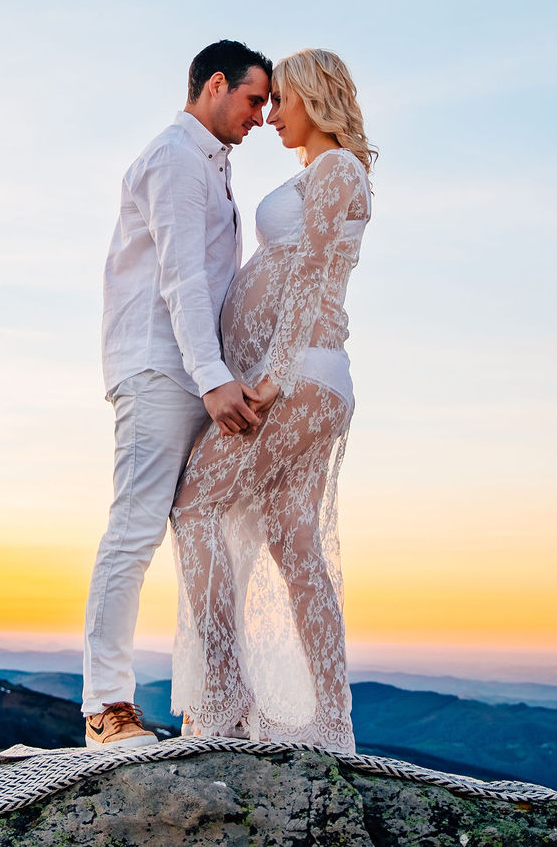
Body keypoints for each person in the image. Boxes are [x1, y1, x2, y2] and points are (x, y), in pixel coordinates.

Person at [170, 48, 375, 754]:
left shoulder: (337, 169)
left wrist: (273, 374)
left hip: (301, 376)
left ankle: (224, 696)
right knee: (294, 542)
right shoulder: (320, 172)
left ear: (314, 97)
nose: (272, 113)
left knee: (194, 504)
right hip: (314, 376)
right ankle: (329, 718)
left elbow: (314, 276)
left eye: (281, 98)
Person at [81, 39, 275, 748]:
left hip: (195, 368)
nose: (261, 116)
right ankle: (105, 705)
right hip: (163, 366)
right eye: (255, 99)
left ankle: (211, 701)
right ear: (215, 84)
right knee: (134, 527)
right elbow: (181, 277)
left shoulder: (210, 166)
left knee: (201, 530)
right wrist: (214, 376)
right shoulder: (173, 156)